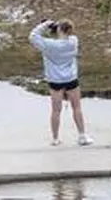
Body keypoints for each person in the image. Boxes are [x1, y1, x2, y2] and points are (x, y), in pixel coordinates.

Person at [29, 18, 93, 146]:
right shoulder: (73, 41)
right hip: (71, 78)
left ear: (59, 29)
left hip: (55, 80)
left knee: (56, 110)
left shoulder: (49, 45)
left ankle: (55, 138)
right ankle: (82, 135)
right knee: (77, 107)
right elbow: (67, 36)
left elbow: (33, 36)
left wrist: (45, 24)